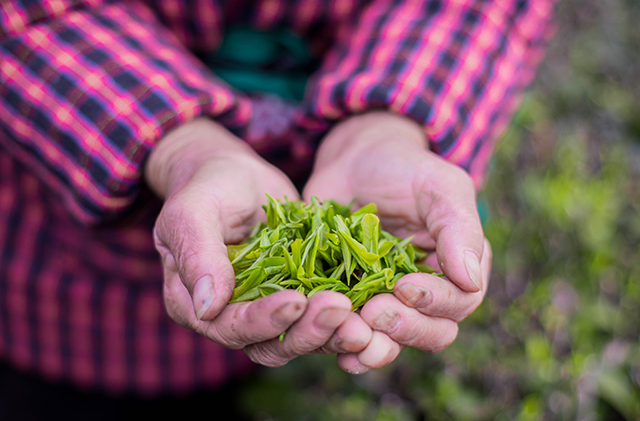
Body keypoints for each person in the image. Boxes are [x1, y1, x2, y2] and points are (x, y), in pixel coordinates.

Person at [0, 0, 555, 398]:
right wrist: (182, 147)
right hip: (61, 295)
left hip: (253, 297)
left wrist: (387, 125)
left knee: (273, 345)